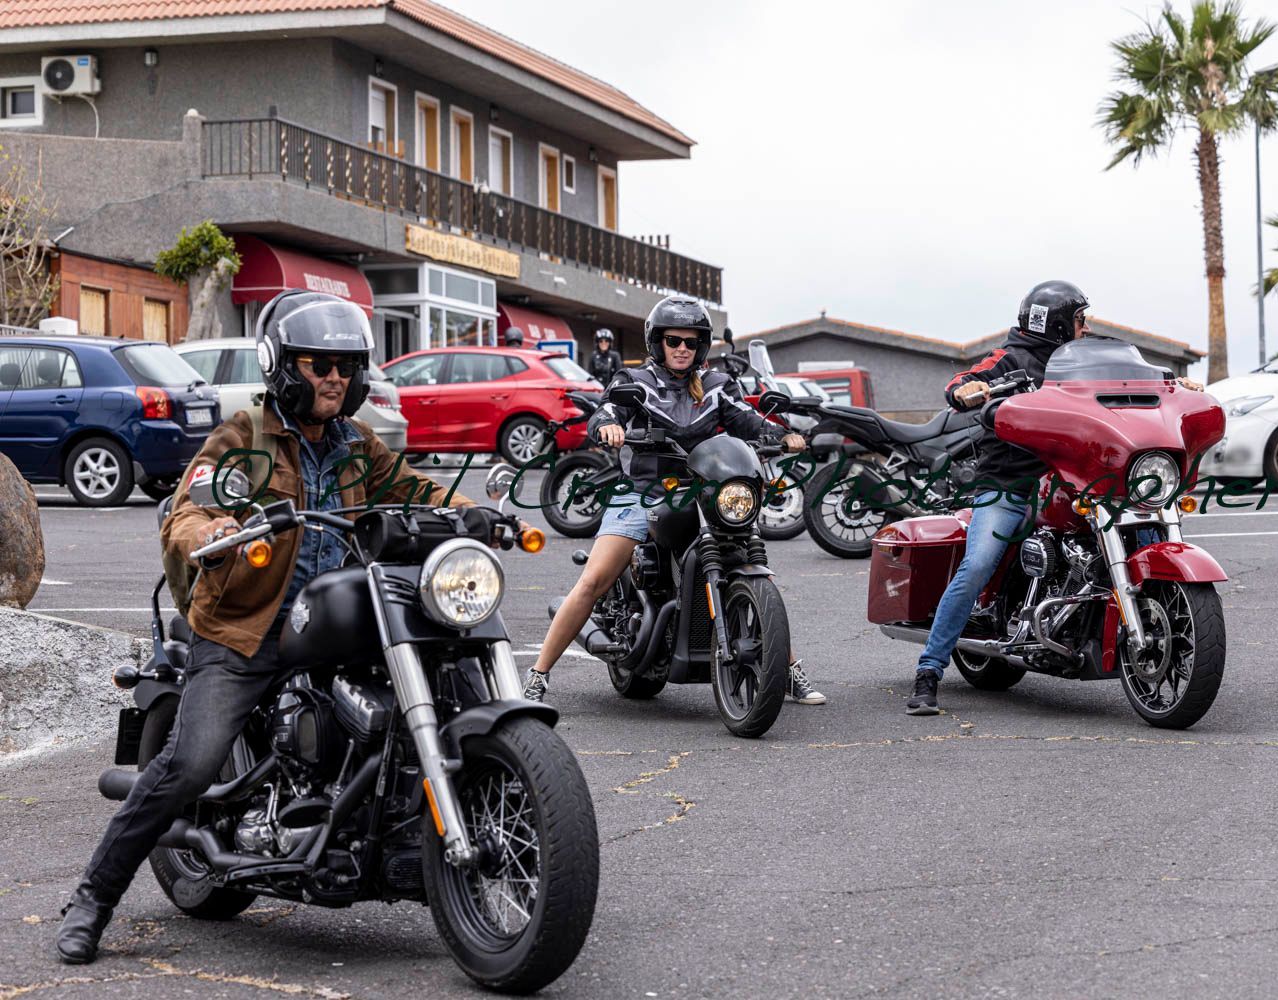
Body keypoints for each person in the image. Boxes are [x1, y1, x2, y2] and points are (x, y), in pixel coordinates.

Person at [55, 291, 477, 965]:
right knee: (189, 764)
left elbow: (414, 490)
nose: (334, 377)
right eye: (318, 364)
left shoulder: (355, 446)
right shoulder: (243, 437)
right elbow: (189, 509)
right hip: (246, 630)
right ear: (284, 366)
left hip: (338, 625)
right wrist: (214, 528)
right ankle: (91, 900)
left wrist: (474, 514)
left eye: (345, 364)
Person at [524, 296, 825, 706]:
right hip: (642, 490)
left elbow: (746, 418)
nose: (681, 348)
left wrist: (780, 433)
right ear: (657, 342)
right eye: (673, 340)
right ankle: (538, 675)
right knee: (594, 580)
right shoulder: (635, 383)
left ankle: (787, 670)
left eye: (690, 340)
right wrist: (609, 425)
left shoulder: (717, 385)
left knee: (754, 566)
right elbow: (607, 410)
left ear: (701, 345)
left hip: (704, 488)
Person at [906, 280, 1090, 716]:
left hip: (1071, 482)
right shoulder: (1011, 359)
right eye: (1079, 320)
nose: (1085, 329)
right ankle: (929, 672)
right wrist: (966, 390)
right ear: (1059, 324)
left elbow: (1126, 373)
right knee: (978, 564)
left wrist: (1169, 380)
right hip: (1010, 486)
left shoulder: (1083, 362)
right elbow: (964, 380)